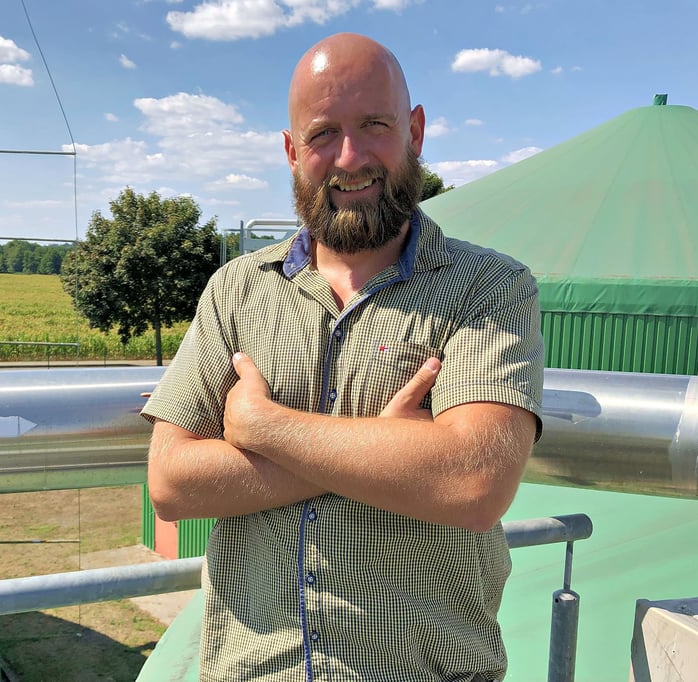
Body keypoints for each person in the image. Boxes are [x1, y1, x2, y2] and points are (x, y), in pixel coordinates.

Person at [141, 32, 543, 682]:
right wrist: (388, 450)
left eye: (374, 126)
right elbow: (172, 484)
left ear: (414, 130)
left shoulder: (489, 287)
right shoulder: (237, 290)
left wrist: (263, 429)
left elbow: (473, 483)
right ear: (291, 149)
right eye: (324, 133)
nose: (349, 157)